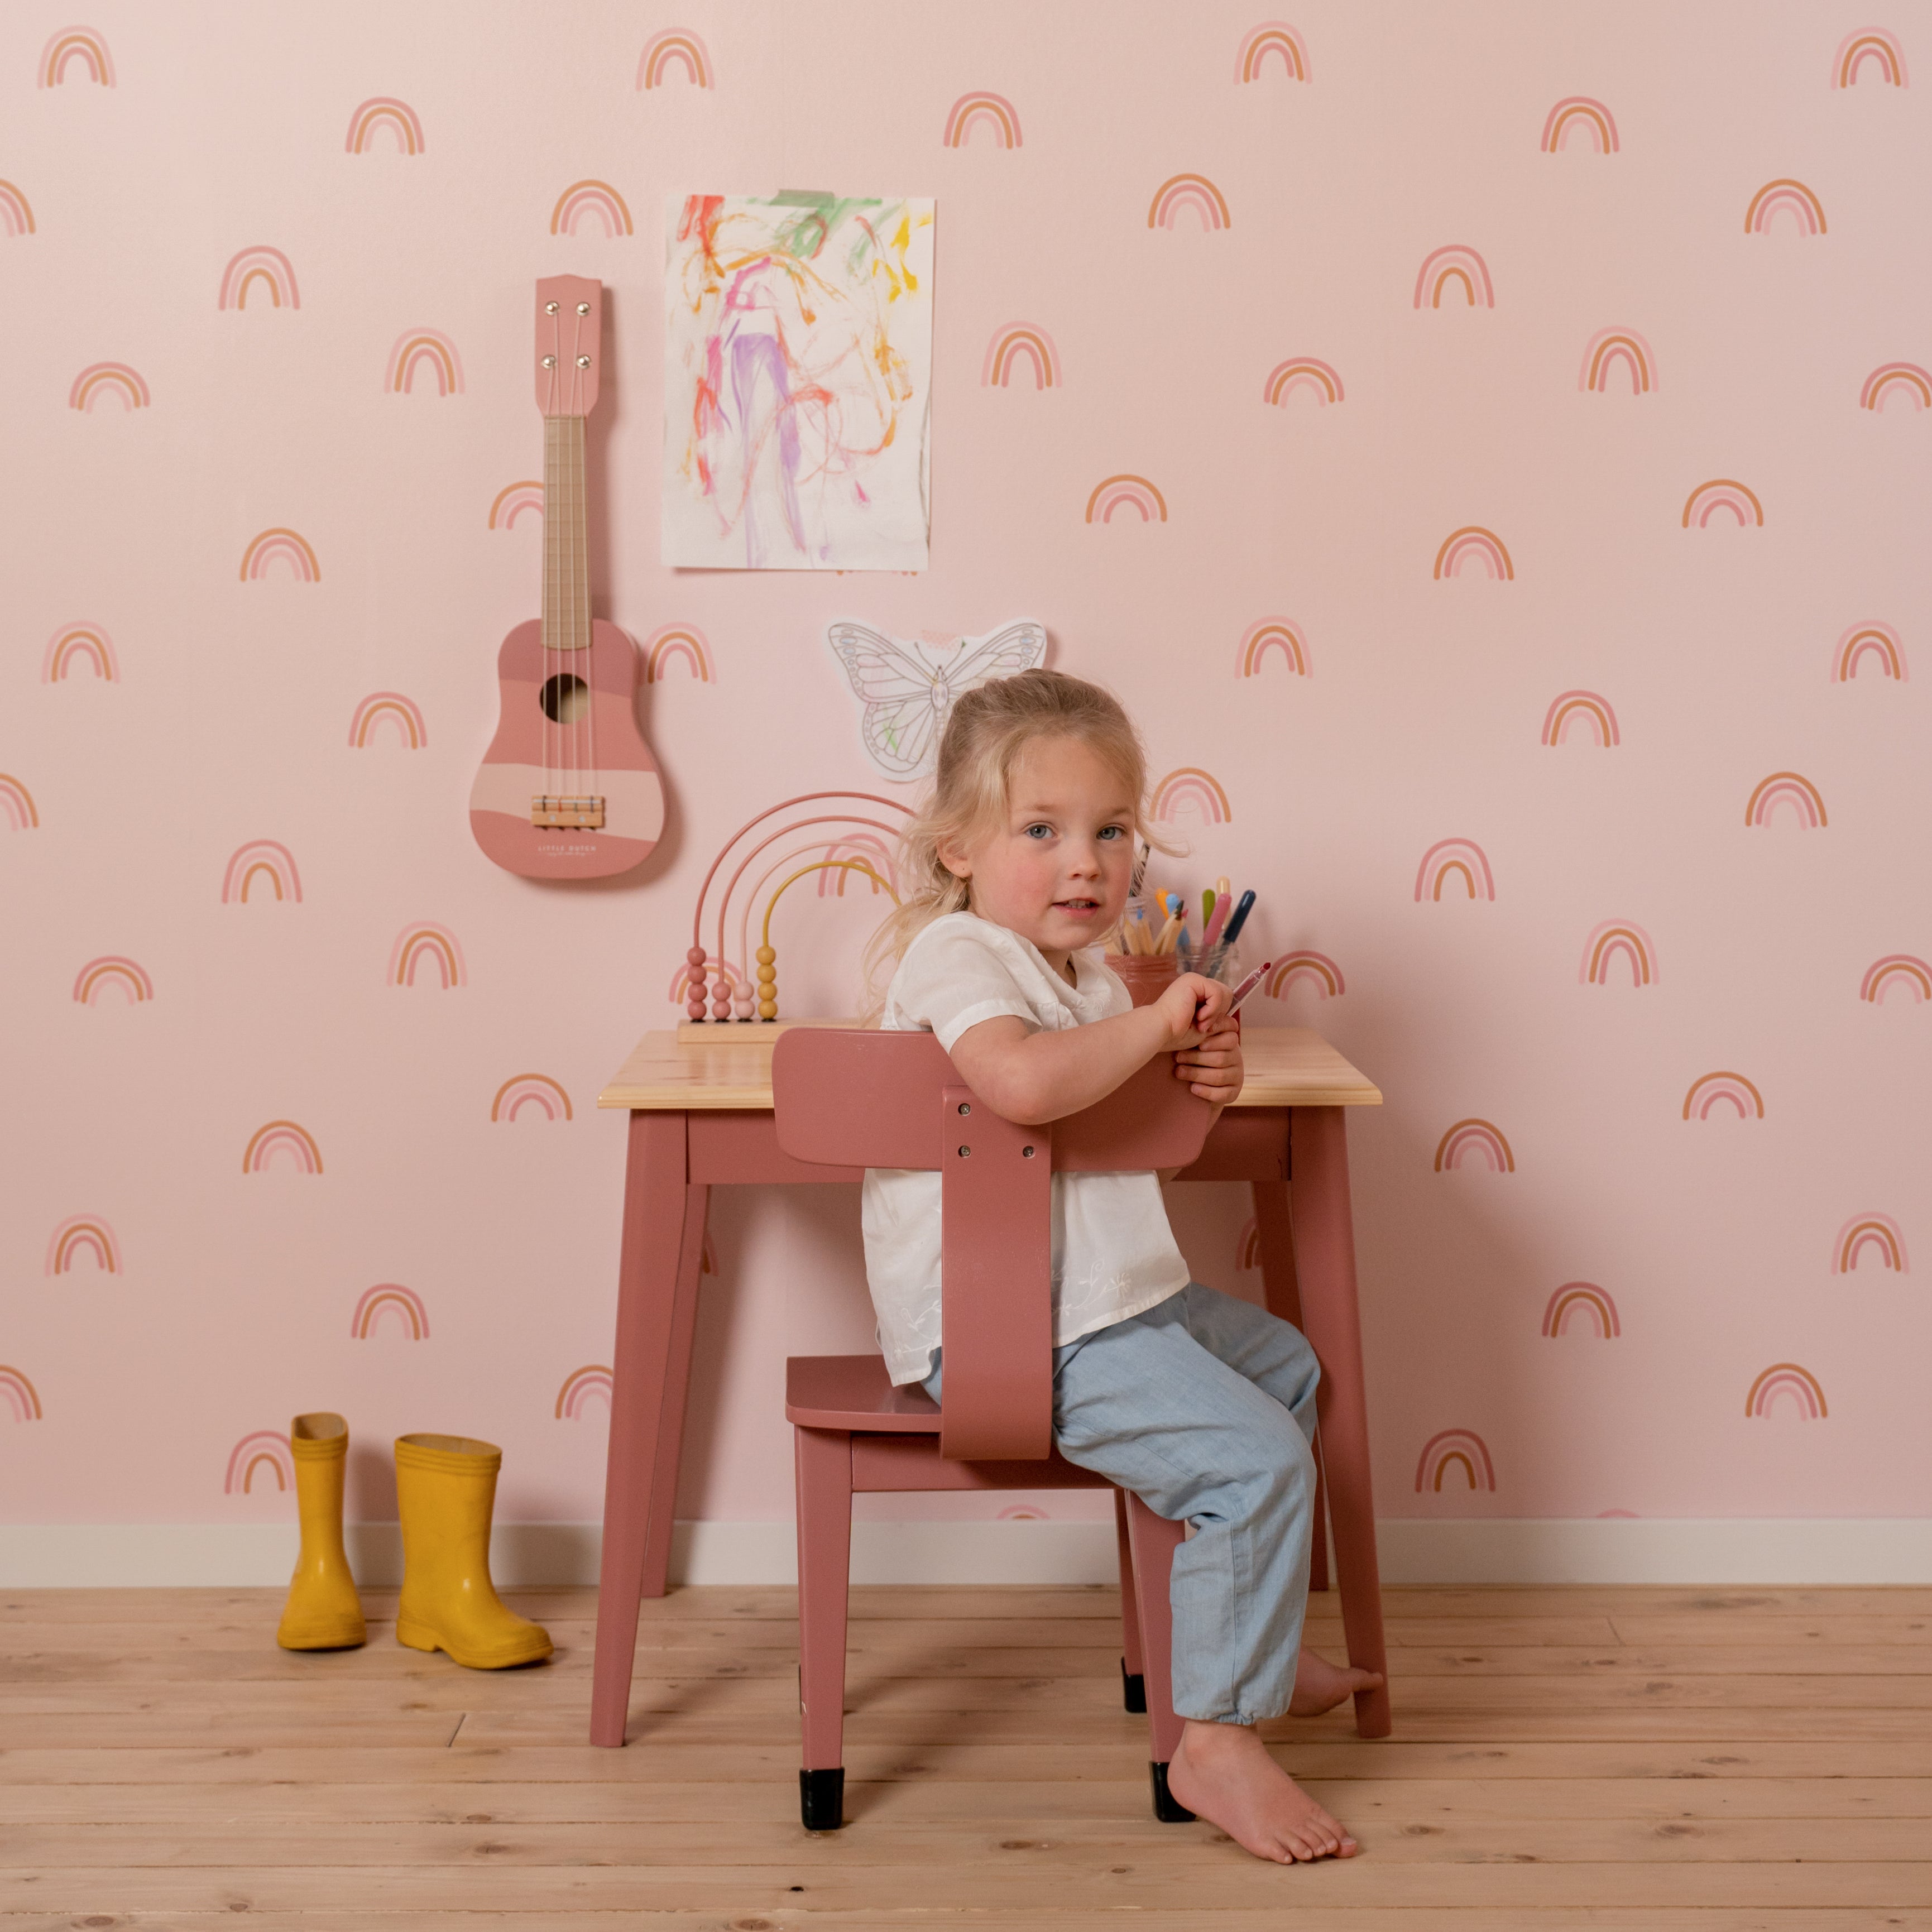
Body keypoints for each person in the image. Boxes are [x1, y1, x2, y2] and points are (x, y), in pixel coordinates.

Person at [860, 668, 1381, 1865]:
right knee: (1254, 1464)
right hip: (1013, 1326)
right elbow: (1025, 1087)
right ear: (957, 850)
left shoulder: (1087, 976)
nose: (1084, 861)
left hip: (1108, 1301)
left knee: (1288, 1369)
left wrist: (1199, 1072)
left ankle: (1243, 1637)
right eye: (1040, 831)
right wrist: (1151, 1029)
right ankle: (1216, 1744)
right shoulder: (957, 958)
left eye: (1109, 831)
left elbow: (1115, 1121)